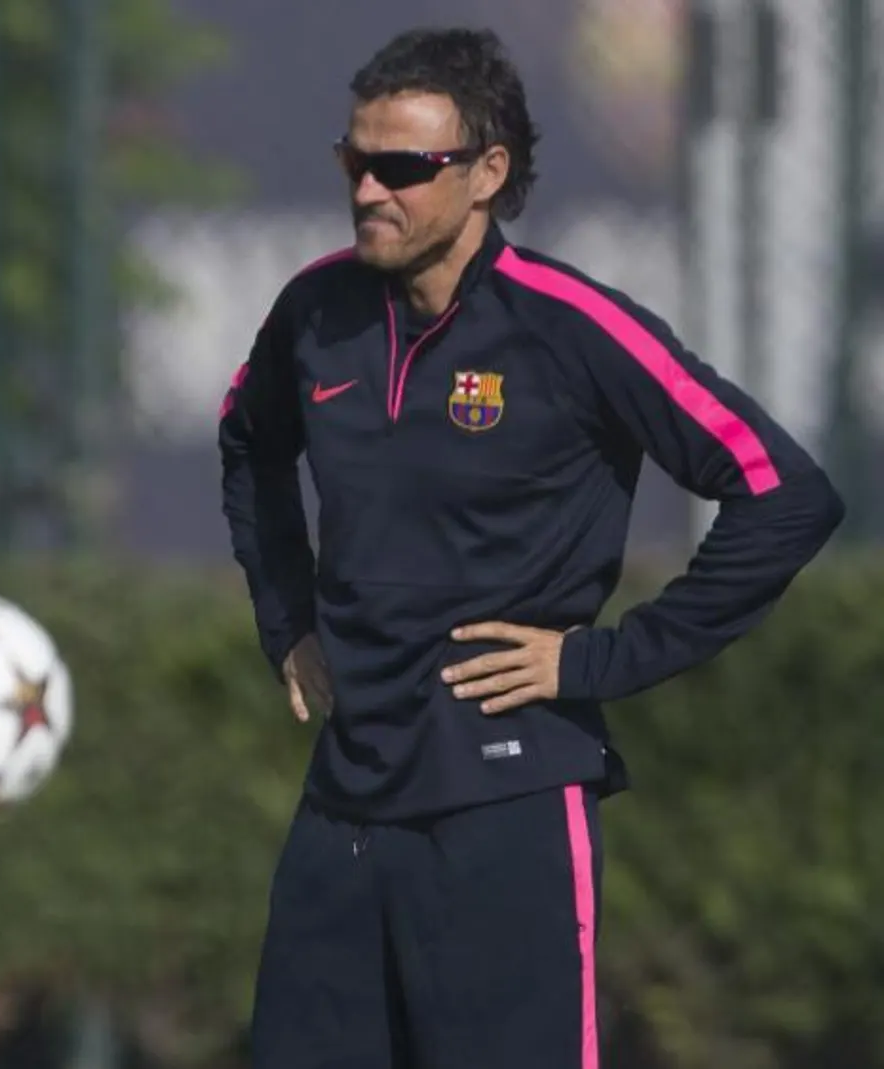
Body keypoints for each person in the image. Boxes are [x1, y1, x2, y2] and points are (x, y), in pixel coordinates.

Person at [217, 27, 844, 1069]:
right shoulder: (314, 311)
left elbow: (786, 495)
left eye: (405, 167)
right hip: (343, 807)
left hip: (504, 810)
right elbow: (248, 446)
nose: (370, 189)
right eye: (354, 161)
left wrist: (599, 658)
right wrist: (287, 620)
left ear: (486, 174)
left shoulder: (570, 326)